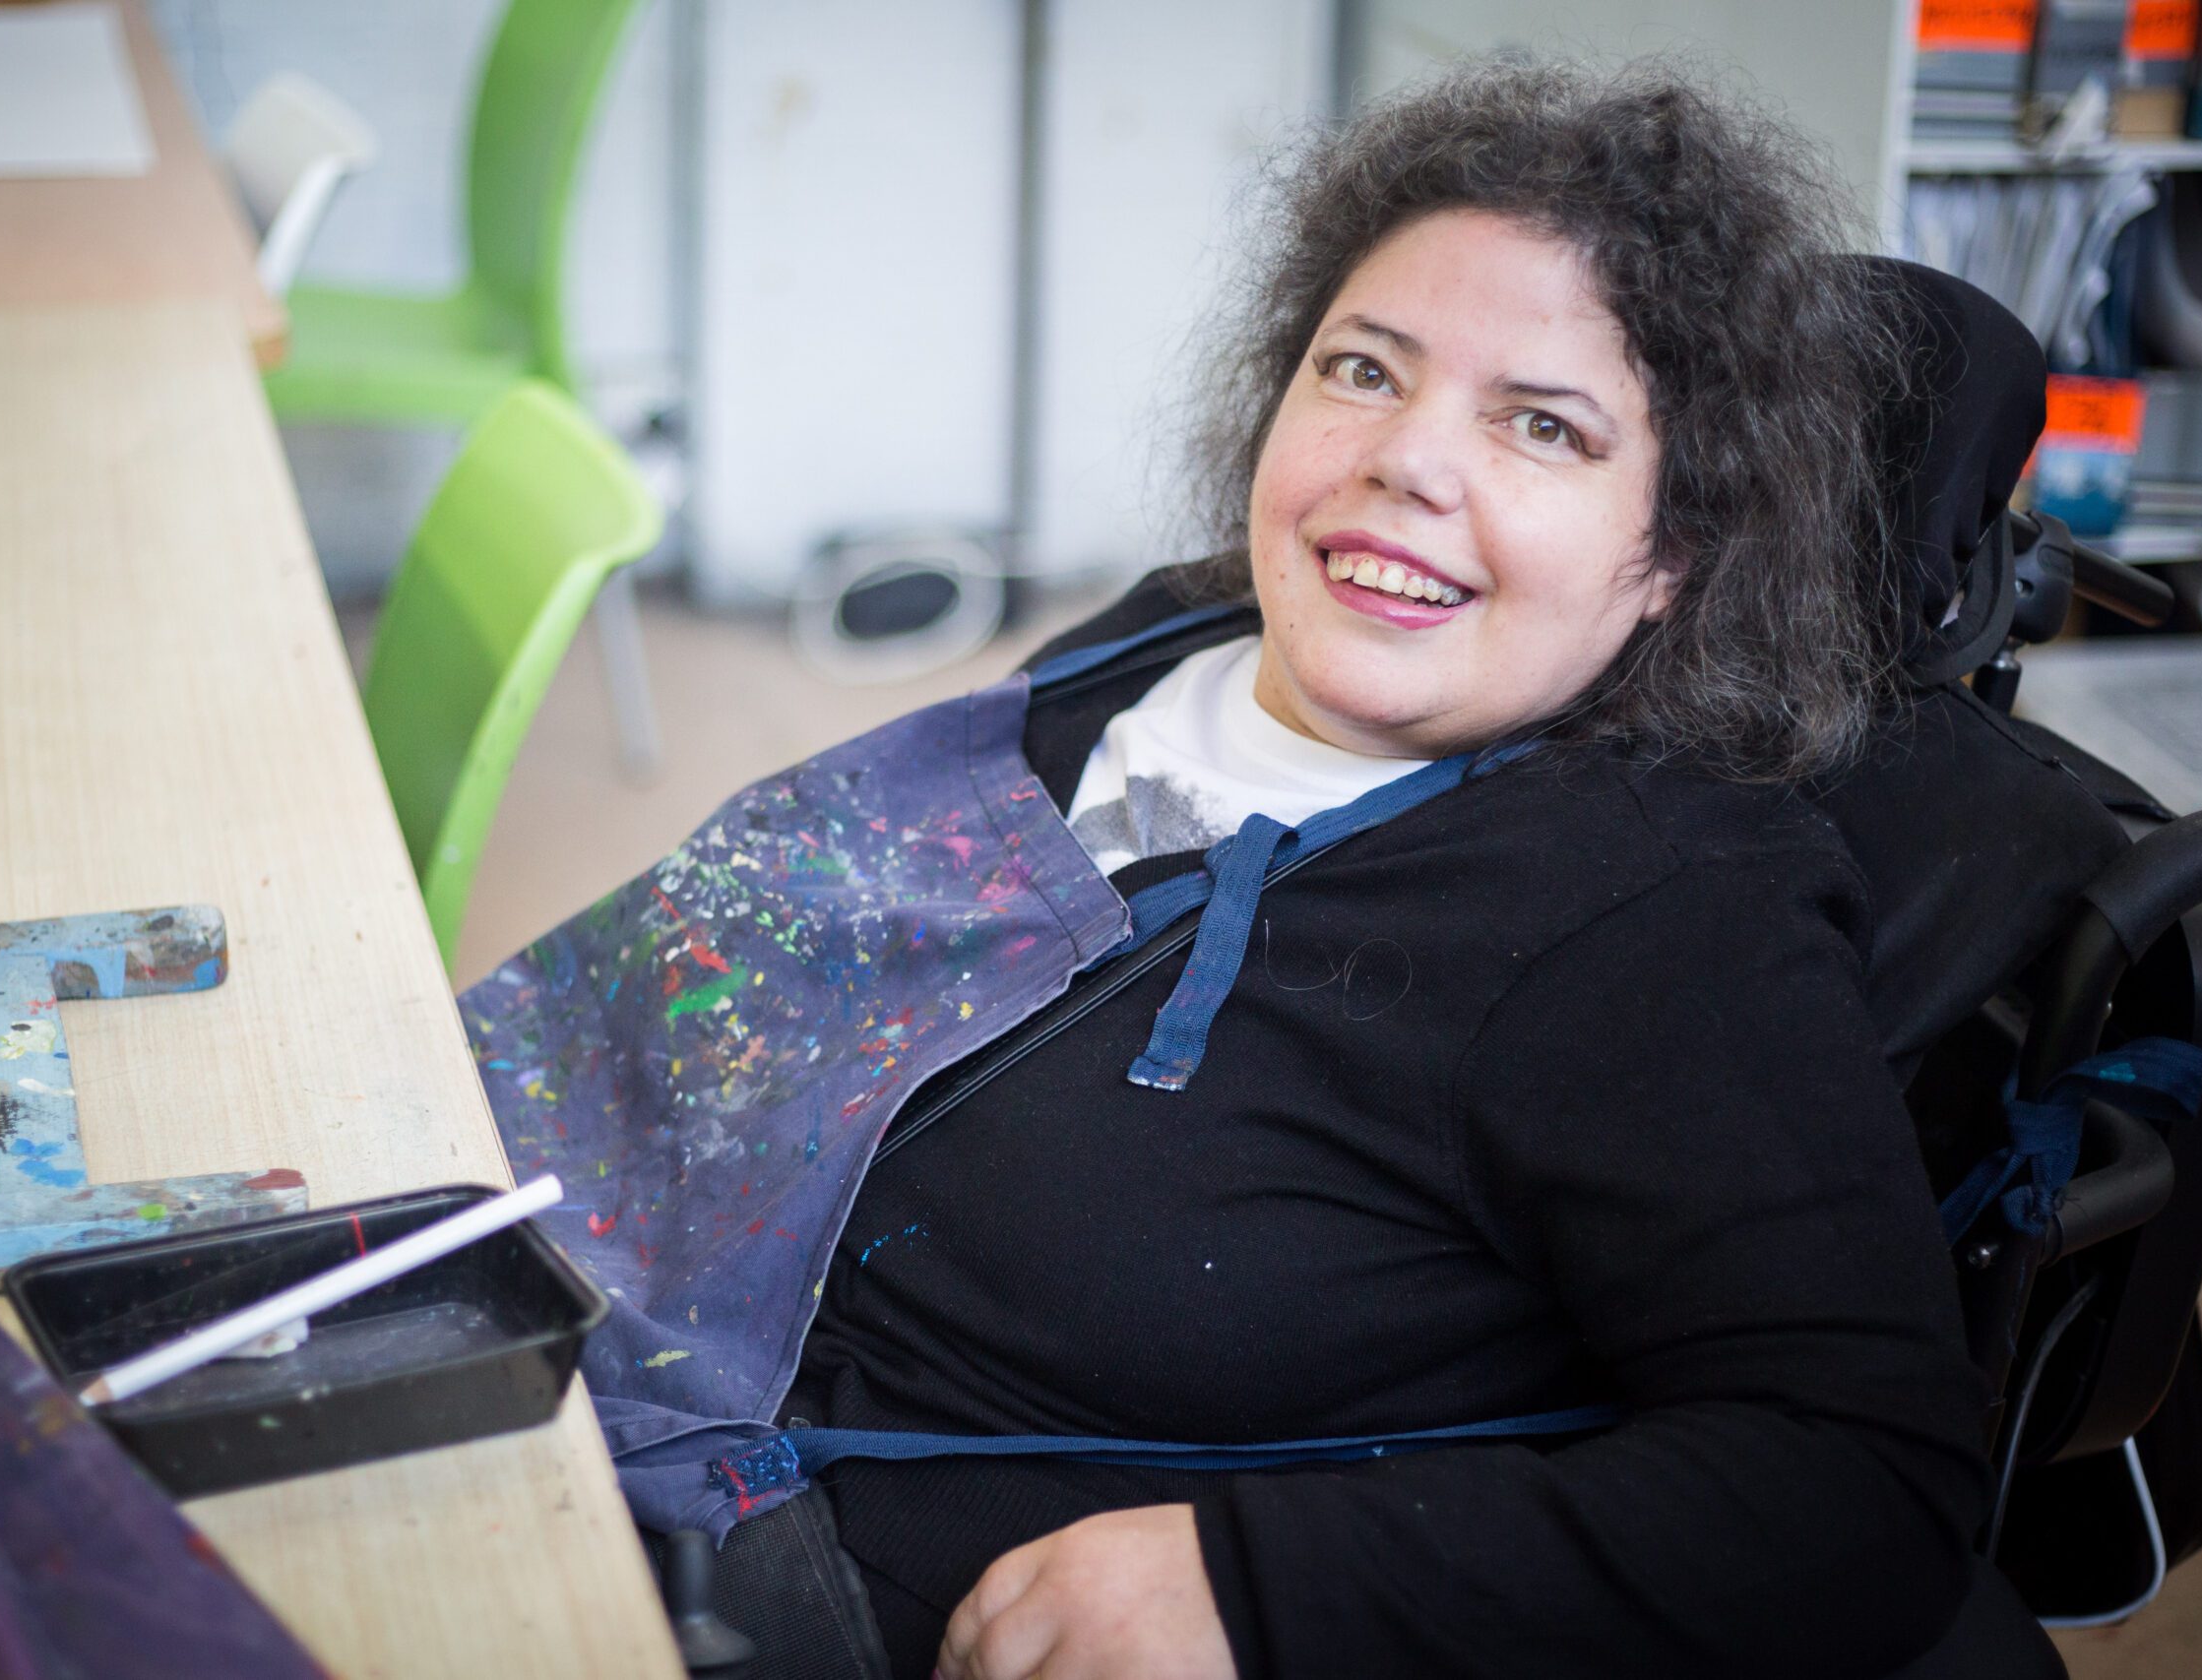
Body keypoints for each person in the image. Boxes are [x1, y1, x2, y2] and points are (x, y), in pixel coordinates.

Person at [462, 59, 2060, 1680]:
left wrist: (1262, 1584)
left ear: (1669, 556)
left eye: (1543, 426)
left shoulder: (1660, 908)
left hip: (771, 1568)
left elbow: (1863, 1481)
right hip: (554, 1286)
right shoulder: (1176, 626)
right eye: (1365, 370)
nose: (1410, 463)